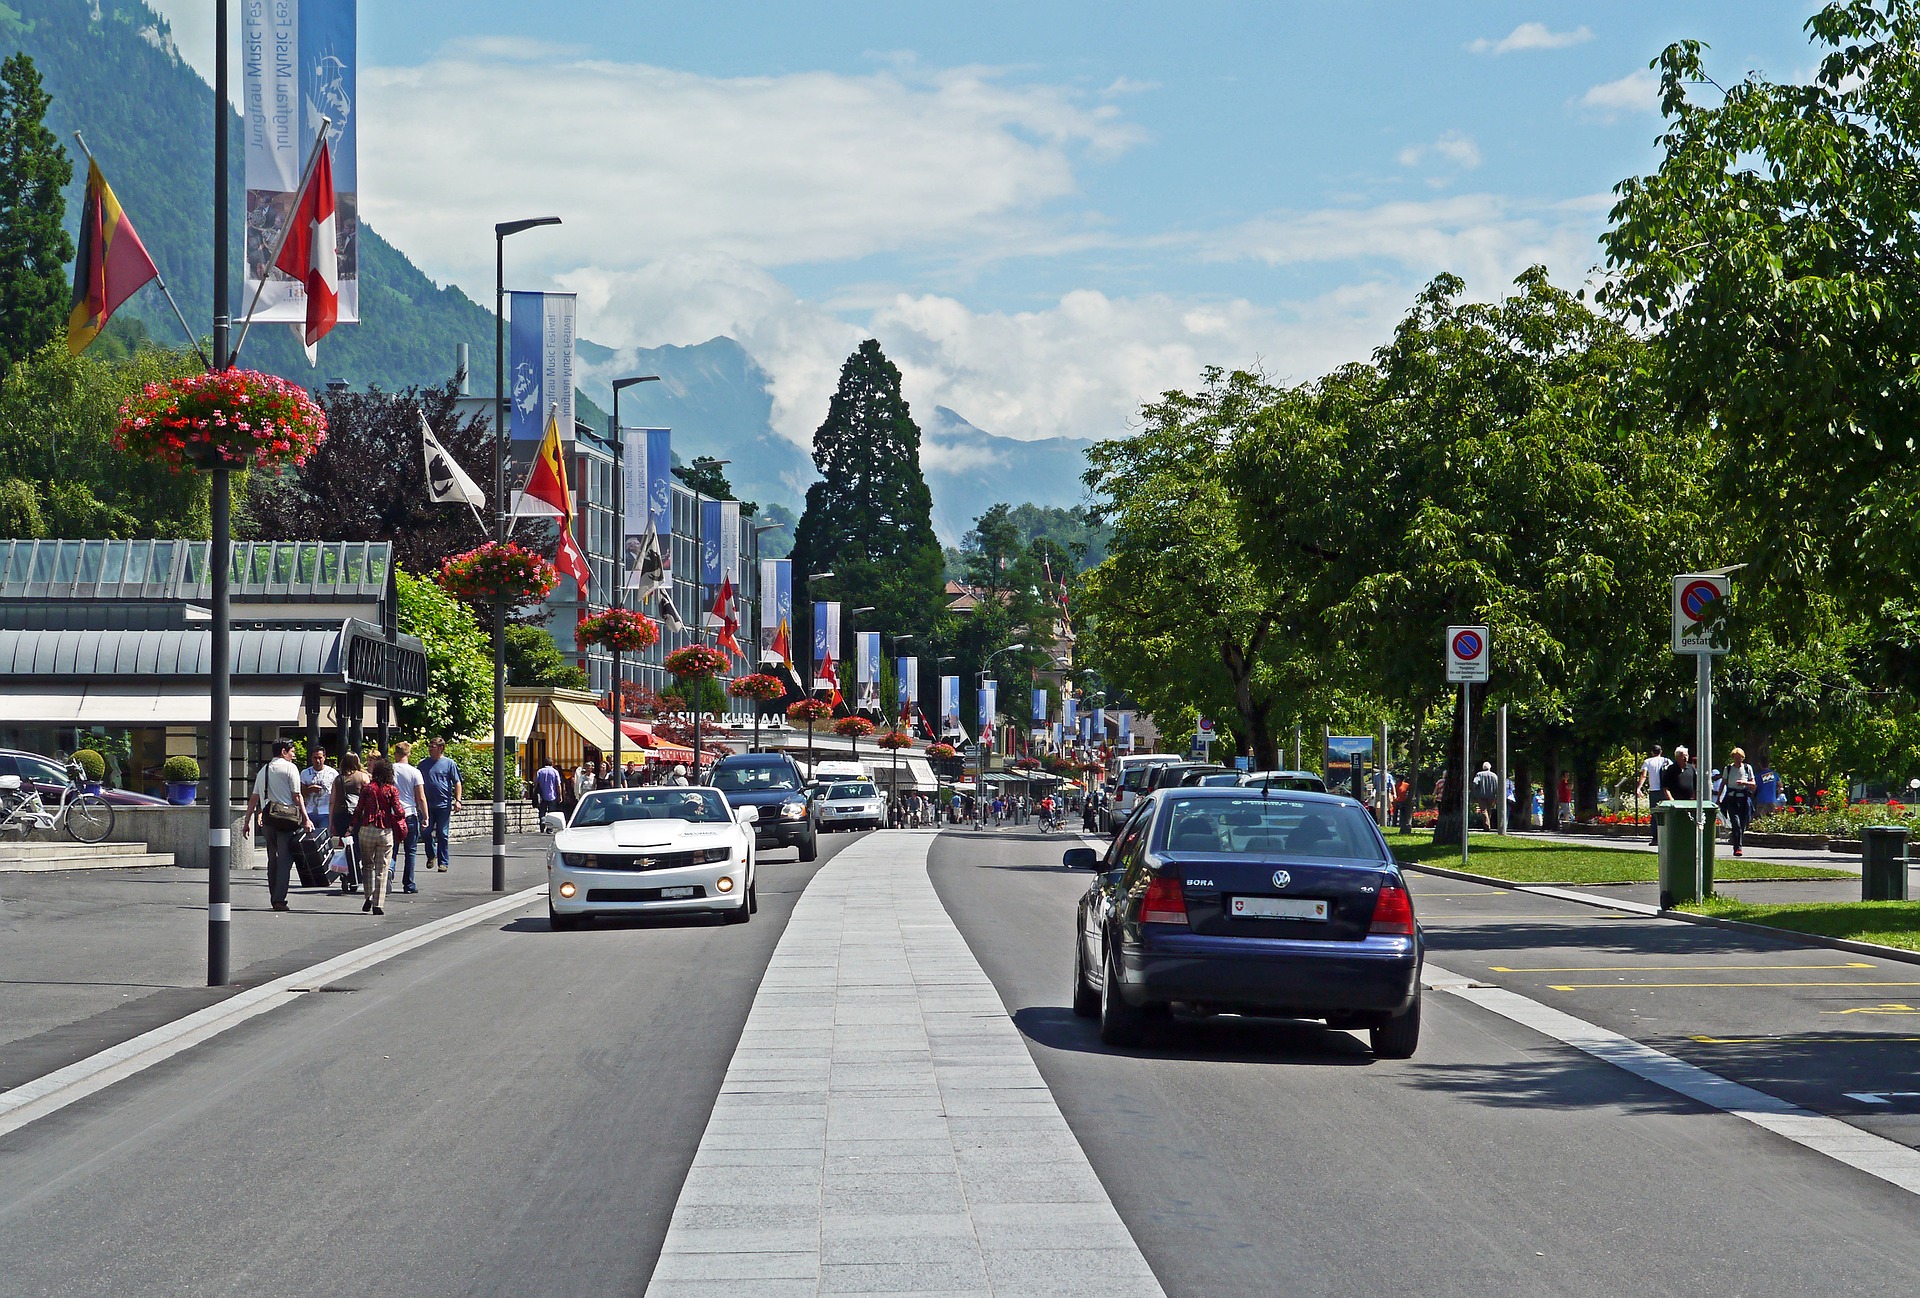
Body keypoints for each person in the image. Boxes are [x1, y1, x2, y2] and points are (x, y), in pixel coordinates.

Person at [244, 739, 310, 912]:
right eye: (292, 751)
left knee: (272, 859)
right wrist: (306, 818)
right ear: (283, 751)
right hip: (286, 820)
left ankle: (274, 896)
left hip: (268, 820)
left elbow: (254, 798)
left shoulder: (263, 770)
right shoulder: (290, 768)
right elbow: (297, 796)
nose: (294, 754)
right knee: (285, 860)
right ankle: (279, 899)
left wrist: (247, 821)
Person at [352, 757, 410, 916]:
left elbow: (358, 809)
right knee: (382, 868)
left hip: (367, 829)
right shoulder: (391, 790)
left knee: (367, 865)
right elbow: (399, 811)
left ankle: (368, 896)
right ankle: (378, 904)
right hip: (385, 831)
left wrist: (351, 827)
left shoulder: (367, 788)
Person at [417, 737, 463, 874]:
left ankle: (443, 863)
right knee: (425, 832)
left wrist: (458, 800)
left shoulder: (449, 764)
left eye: (433, 746)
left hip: (443, 804)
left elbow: (457, 782)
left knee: (442, 834)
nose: (430, 748)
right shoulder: (423, 764)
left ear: (441, 748)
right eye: (430, 746)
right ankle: (432, 854)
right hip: (427, 805)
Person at [390, 741, 428, 894]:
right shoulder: (415, 772)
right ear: (409, 754)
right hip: (409, 815)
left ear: (396, 753)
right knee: (410, 851)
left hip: (392, 815)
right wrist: (425, 816)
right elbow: (421, 797)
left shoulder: (389, 770)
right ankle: (409, 884)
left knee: (391, 849)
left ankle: (389, 873)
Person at [330, 752, 368, 895]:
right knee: (357, 846)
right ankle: (354, 875)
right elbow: (369, 796)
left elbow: (332, 801)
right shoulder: (363, 777)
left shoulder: (338, 779)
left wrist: (331, 822)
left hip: (340, 816)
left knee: (348, 846)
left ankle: (349, 874)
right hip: (357, 816)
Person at [1722, 747, 1756, 856]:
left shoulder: (1747, 768)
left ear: (1743, 758)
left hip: (1744, 799)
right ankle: (1737, 848)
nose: (1738, 760)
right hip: (1732, 798)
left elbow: (1753, 784)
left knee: (1742, 823)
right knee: (1735, 823)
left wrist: (1744, 783)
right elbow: (1723, 783)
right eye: (1736, 758)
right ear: (1733, 758)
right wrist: (1719, 798)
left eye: (1740, 758)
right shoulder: (1728, 769)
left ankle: (1738, 843)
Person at [300, 746, 337, 845]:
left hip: (325, 812)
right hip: (310, 811)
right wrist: (310, 789)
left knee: (324, 840)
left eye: (320, 758)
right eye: (315, 758)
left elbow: (336, 795)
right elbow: (301, 794)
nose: (318, 760)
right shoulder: (305, 773)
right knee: (310, 842)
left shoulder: (333, 773)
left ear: (324, 757)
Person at [1636, 743, 1668, 845]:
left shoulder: (1648, 762)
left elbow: (1644, 775)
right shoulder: (1667, 761)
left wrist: (1639, 788)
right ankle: (1666, 837)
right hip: (1665, 791)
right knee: (1665, 814)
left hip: (1654, 790)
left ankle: (1655, 838)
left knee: (1654, 815)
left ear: (1652, 752)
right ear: (1661, 752)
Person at [1471, 761, 1500, 831]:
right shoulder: (1494, 776)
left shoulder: (1479, 774)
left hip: (1481, 795)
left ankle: (1487, 825)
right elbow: (1498, 786)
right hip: (1492, 795)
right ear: (1490, 767)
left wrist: (1474, 790)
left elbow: (1475, 782)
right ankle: (1487, 824)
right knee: (1489, 810)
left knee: (1484, 810)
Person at [535, 758, 563, 822]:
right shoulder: (555, 772)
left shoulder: (540, 771)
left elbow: (536, 783)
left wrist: (535, 792)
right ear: (552, 763)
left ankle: (543, 820)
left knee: (542, 811)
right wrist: (560, 795)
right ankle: (550, 828)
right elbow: (558, 785)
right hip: (553, 795)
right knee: (552, 813)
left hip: (542, 796)